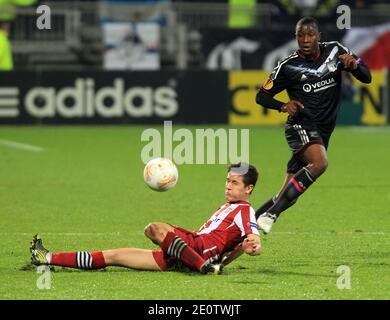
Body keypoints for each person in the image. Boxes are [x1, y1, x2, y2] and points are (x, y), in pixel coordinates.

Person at [30, 163, 261, 275]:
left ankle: (201, 267)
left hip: (195, 248)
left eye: (234, 183)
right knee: (114, 255)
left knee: (155, 229)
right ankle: (45, 257)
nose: (228, 186)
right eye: (227, 181)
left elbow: (252, 238)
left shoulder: (245, 211)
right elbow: (238, 245)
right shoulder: (227, 207)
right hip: (185, 254)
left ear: (249, 188)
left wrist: (254, 245)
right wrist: (224, 262)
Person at [255, 17, 371, 233]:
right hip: (300, 126)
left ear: (319, 36)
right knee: (320, 163)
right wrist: (282, 106)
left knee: (287, 196)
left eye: (310, 35)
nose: (305, 40)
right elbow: (261, 96)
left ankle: (248, 224)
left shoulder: (336, 51)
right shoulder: (287, 66)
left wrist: (354, 66)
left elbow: (367, 77)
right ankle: (271, 215)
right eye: (300, 35)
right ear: (296, 37)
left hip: (322, 132)